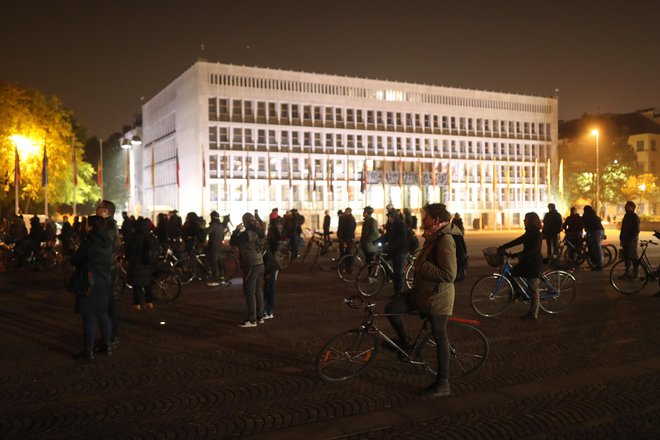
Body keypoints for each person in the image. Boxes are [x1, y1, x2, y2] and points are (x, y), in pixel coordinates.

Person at [384, 203, 461, 398]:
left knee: (439, 334)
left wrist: (421, 265)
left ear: (435, 220)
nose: (422, 219)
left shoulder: (445, 240)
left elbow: (449, 274)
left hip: (438, 297)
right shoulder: (433, 235)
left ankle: (443, 383)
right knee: (392, 307)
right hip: (422, 292)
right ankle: (405, 343)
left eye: (424, 216)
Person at [70, 215, 113, 360]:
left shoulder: (89, 243)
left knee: (88, 316)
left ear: (90, 226)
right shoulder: (108, 241)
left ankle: (88, 351)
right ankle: (107, 345)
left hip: (90, 282)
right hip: (105, 281)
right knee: (103, 313)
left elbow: (75, 260)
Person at [498, 212, 543, 320]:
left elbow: (533, 251)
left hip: (533, 263)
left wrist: (518, 255)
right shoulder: (528, 233)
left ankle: (533, 314)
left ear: (531, 221)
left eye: (525, 219)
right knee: (511, 273)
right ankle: (518, 291)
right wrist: (503, 246)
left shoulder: (537, 234)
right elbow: (518, 241)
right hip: (526, 261)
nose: (524, 221)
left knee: (533, 288)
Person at [230, 213, 265, 327]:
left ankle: (252, 319)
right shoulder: (260, 231)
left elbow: (233, 242)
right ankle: (260, 316)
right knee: (259, 291)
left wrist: (236, 230)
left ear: (245, 222)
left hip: (251, 264)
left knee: (250, 292)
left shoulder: (247, 234)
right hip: (260, 263)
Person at [96, 200, 122, 346]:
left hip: (107, 268)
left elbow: (105, 247)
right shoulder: (107, 225)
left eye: (99, 207)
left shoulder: (108, 226)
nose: (96, 209)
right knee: (107, 302)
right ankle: (109, 334)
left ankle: (111, 335)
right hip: (107, 267)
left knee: (109, 303)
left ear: (106, 210)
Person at [125, 218, 157, 310]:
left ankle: (137, 304)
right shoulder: (149, 236)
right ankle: (149, 302)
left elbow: (130, 249)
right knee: (147, 284)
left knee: (137, 285)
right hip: (148, 262)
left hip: (137, 262)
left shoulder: (136, 237)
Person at [383, 209, 409, 298]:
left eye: (390, 217)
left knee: (398, 273)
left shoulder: (401, 225)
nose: (389, 218)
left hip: (401, 251)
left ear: (394, 217)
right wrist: (376, 241)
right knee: (394, 271)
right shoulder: (393, 226)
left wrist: (391, 246)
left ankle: (399, 293)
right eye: (388, 217)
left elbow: (401, 240)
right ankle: (396, 292)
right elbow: (388, 236)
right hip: (395, 251)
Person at [618, 201, 640, 278]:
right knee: (626, 256)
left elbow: (636, 230)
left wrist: (630, 239)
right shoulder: (626, 216)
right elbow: (623, 228)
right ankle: (627, 271)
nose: (625, 207)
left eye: (627, 206)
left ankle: (636, 272)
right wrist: (621, 238)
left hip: (631, 240)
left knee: (633, 256)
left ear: (632, 207)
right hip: (625, 239)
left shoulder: (634, 217)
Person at [206, 211, 227, 286]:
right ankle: (222, 279)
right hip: (219, 247)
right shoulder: (221, 225)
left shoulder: (214, 225)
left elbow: (206, 232)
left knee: (214, 264)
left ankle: (216, 280)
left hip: (213, 247)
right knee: (219, 263)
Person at [582, 205, 604, 271]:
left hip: (596, 232)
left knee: (597, 248)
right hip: (600, 231)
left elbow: (584, 225)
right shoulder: (593, 214)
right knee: (594, 247)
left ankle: (599, 265)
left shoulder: (587, 216)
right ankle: (596, 263)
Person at [263, 247, 280, 319]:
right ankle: (267, 309)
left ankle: (269, 311)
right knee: (267, 289)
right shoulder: (266, 252)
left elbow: (267, 267)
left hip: (272, 271)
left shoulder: (266, 255)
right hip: (271, 270)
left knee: (270, 290)